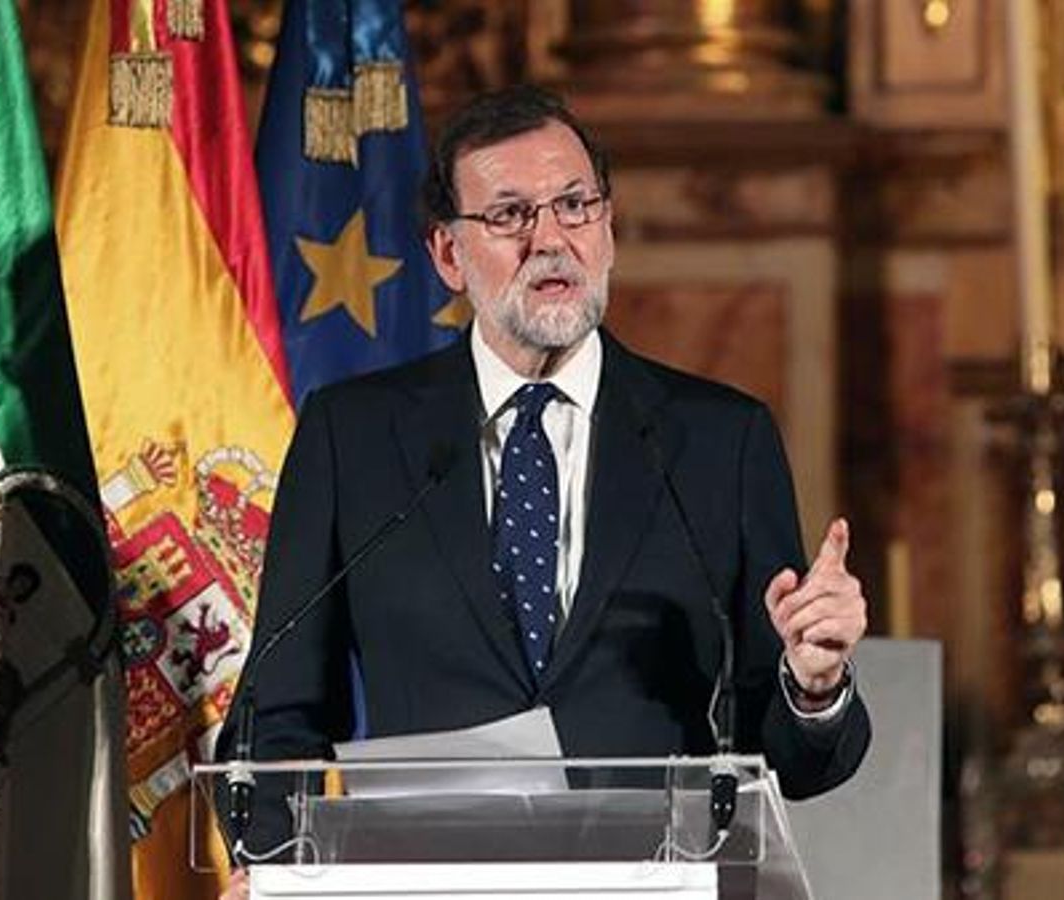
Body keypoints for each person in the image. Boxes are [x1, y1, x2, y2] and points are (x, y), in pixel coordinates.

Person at [217, 85, 870, 866]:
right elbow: (274, 721)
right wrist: (285, 874)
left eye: (574, 205)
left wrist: (815, 680)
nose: (551, 240)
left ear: (610, 227)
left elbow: (798, 761)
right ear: (448, 255)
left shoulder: (719, 441)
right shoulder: (350, 436)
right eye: (509, 216)